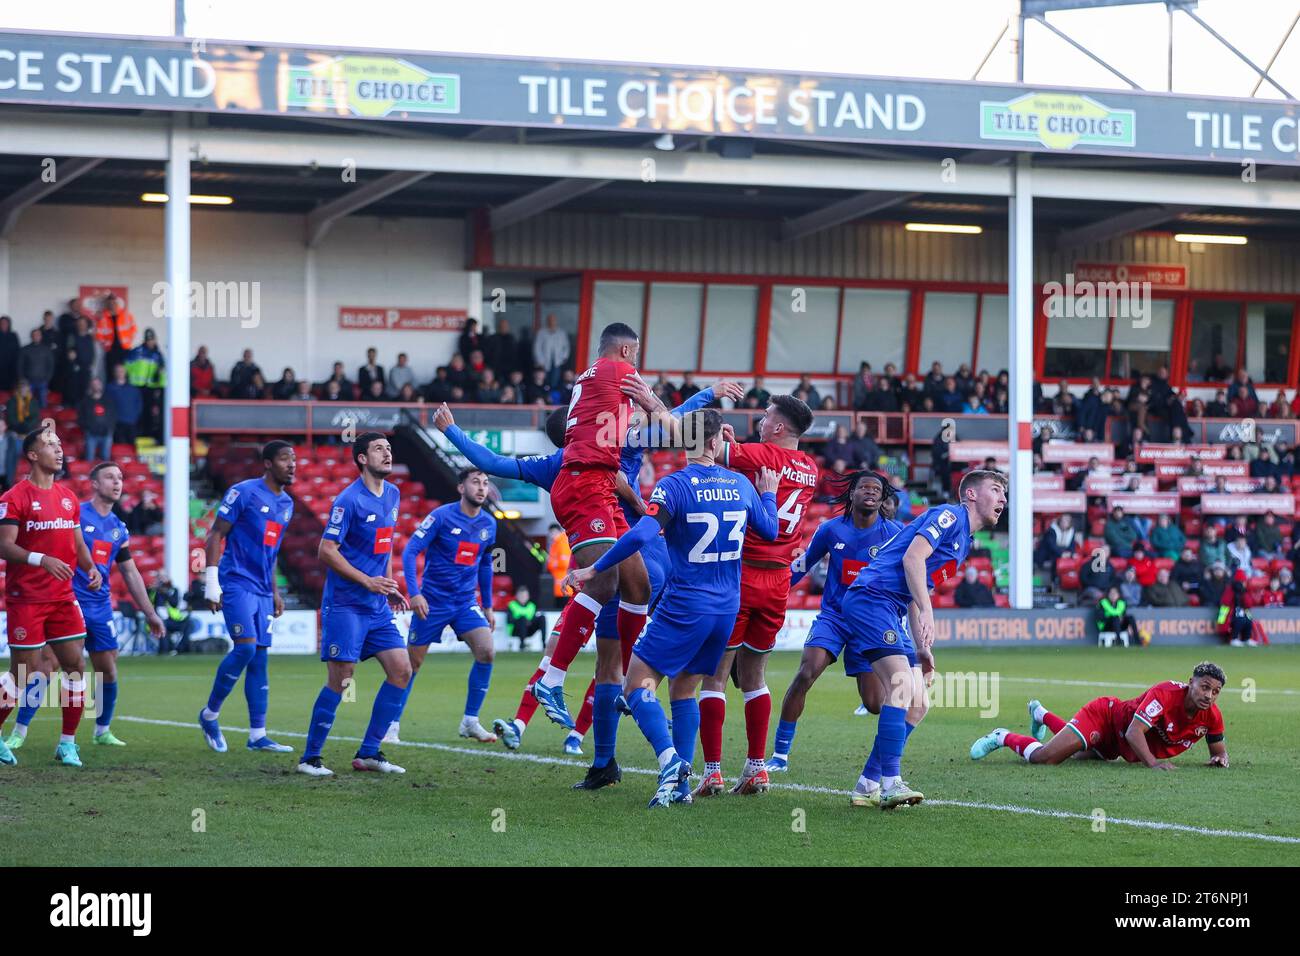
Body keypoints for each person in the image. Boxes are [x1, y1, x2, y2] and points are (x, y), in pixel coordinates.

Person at [563, 408, 779, 807]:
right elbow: (770, 529)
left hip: (685, 605)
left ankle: (670, 762)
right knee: (684, 687)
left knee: (636, 684)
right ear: (717, 443)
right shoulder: (741, 484)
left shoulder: (674, 486)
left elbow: (641, 534)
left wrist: (594, 567)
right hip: (726, 608)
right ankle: (681, 788)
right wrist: (768, 492)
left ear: (687, 443)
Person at [836, 469, 1007, 808]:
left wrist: (922, 648)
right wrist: (928, 611)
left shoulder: (964, 544)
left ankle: (867, 783)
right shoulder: (949, 515)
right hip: (871, 598)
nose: (1002, 498)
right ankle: (891, 783)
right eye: (996, 490)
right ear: (971, 494)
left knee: (919, 704)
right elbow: (912, 558)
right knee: (900, 686)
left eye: (1004, 494)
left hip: (890, 607)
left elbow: (919, 589)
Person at [528, 323, 652, 730]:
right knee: (603, 583)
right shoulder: (620, 372)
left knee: (638, 584)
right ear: (626, 350)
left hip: (600, 481)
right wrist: (660, 409)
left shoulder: (591, 377)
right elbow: (674, 426)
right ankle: (552, 678)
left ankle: (633, 684)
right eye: (634, 352)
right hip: (586, 484)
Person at [694, 396, 819, 798]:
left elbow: (702, 443)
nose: (762, 421)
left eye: (766, 418)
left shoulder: (762, 454)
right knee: (755, 676)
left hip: (742, 574)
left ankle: (712, 771)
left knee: (715, 675)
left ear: (779, 427)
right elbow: (753, 461)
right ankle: (756, 768)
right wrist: (738, 449)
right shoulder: (810, 468)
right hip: (779, 581)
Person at [6, 463, 165, 750]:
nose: (117, 483)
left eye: (120, 478)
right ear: (93, 483)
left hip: (100, 606)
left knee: (107, 668)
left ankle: (101, 730)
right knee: (47, 665)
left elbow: (130, 572)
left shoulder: (118, 528)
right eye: (109, 477)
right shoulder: (72, 512)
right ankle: (20, 730)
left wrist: (150, 612)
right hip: (67, 600)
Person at [766, 471, 903, 773]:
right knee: (806, 672)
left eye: (876, 489)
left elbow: (908, 574)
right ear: (851, 494)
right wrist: (771, 591)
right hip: (835, 617)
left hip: (870, 623)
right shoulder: (830, 530)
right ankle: (779, 755)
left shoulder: (894, 533)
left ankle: (889, 758)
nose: (870, 492)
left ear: (882, 499)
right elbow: (801, 567)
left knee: (875, 704)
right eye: (863, 487)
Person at [296, 433, 411, 776]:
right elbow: (326, 550)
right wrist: (368, 581)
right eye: (378, 449)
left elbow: (385, 545)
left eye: (389, 448)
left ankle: (370, 753)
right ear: (362, 458)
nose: (387, 453)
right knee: (342, 679)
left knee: (401, 670)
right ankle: (310, 758)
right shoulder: (349, 500)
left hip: (376, 605)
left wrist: (387, 585)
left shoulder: (393, 494)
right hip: (346, 604)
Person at [0, 426, 103, 767]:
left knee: (75, 665)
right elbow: (4, 545)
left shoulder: (68, 496)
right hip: (26, 598)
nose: (58, 450)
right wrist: (40, 559)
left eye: (60, 445)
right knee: (23, 674)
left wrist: (90, 567)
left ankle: (67, 743)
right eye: (49, 445)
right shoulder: (14, 497)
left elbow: (76, 542)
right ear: (32, 455)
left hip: (62, 596)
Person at [198, 441, 297, 755]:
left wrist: (276, 591)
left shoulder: (287, 504)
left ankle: (257, 735)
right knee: (245, 648)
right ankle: (209, 715)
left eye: (294, 459)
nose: (292, 465)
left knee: (260, 659)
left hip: (263, 590)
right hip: (236, 581)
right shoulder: (244, 492)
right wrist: (211, 582)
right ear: (267, 463)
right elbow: (216, 534)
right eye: (284, 459)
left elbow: (272, 551)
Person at [388, 468, 499, 745]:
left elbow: (486, 564)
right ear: (461, 488)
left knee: (487, 651)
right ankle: (391, 723)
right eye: (475, 482)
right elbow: (411, 550)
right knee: (412, 663)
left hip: (464, 602)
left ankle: (470, 721)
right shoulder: (441, 516)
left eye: (485, 483)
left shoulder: (488, 524)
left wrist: (487, 605)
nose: (482, 488)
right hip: (433, 601)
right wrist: (414, 594)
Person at [970, 663, 1227, 769]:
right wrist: (1153, 763)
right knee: (1045, 758)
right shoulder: (1166, 694)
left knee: (1068, 750)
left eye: (1215, 691)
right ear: (1190, 682)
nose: (1208, 695)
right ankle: (1002, 736)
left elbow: (1218, 750)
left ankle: (1040, 714)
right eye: (1204, 687)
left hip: (1117, 746)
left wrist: (1219, 759)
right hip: (1106, 718)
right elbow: (1134, 732)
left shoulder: (1212, 717)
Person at [124, 328, 166, 440]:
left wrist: (160, 387)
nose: (150, 342)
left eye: (152, 339)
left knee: (149, 413)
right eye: (148, 340)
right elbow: (126, 367)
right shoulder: (136, 351)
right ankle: (136, 435)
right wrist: (127, 382)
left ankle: (148, 435)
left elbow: (162, 373)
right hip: (136, 387)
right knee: (136, 411)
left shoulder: (158, 355)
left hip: (151, 389)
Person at [77, 378, 116, 462]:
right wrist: (87, 428)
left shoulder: (108, 401)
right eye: (93, 384)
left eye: (97, 384)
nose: (96, 386)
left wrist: (110, 429)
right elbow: (80, 419)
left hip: (106, 434)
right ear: (90, 386)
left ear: (101, 386)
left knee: (106, 459)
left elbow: (113, 417)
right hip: (91, 434)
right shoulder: (85, 402)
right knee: (89, 459)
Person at [18, 329, 54, 410]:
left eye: (38, 335)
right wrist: (23, 379)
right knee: (26, 404)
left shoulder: (46, 349)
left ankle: (41, 421)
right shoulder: (25, 349)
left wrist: (47, 378)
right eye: (34, 335)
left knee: (43, 405)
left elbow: (50, 365)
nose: (36, 337)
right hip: (28, 382)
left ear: (41, 336)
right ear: (31, 337)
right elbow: (20, 366)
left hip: (43, 381)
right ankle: (28, 421)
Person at [534, 314, 571, 390]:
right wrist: (540, 360)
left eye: (553, 320)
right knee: (544, 380)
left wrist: (564, 357)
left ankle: (553, 397)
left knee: (555, 380)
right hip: (544, 362)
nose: (552, 322)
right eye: (550, 320)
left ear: (556, 321)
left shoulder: (561, 333)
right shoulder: (541, 332)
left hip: (557, 361)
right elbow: (537, 347)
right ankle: (545, 394)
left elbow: (566, 346)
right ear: (547, 321)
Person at [506, 586, 545, 651]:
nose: (523, 598)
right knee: (522, 618)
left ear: (528, 596)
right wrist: (522, 619)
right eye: (521, 596)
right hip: (515, 630)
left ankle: (544, 644)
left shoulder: (532, 606)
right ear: (517, 596)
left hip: (529, 629)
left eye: (525, 596)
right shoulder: (512, 605)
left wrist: (528, 622)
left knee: (542, 618)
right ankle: (522, 645)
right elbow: (509, 620)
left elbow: (533, 619)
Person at [0, 315, 19, 390]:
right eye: (2, 323)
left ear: (9, 324)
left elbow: (17, 351)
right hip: (0, 367)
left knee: (10, 389)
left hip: (11, 367)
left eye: (5, 323)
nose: (3, 325)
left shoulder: (13, 335)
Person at [0, 418, 18, 491]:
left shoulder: (10, 439)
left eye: (1, 425)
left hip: (6, 474)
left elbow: (14, 457)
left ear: (5, 426)